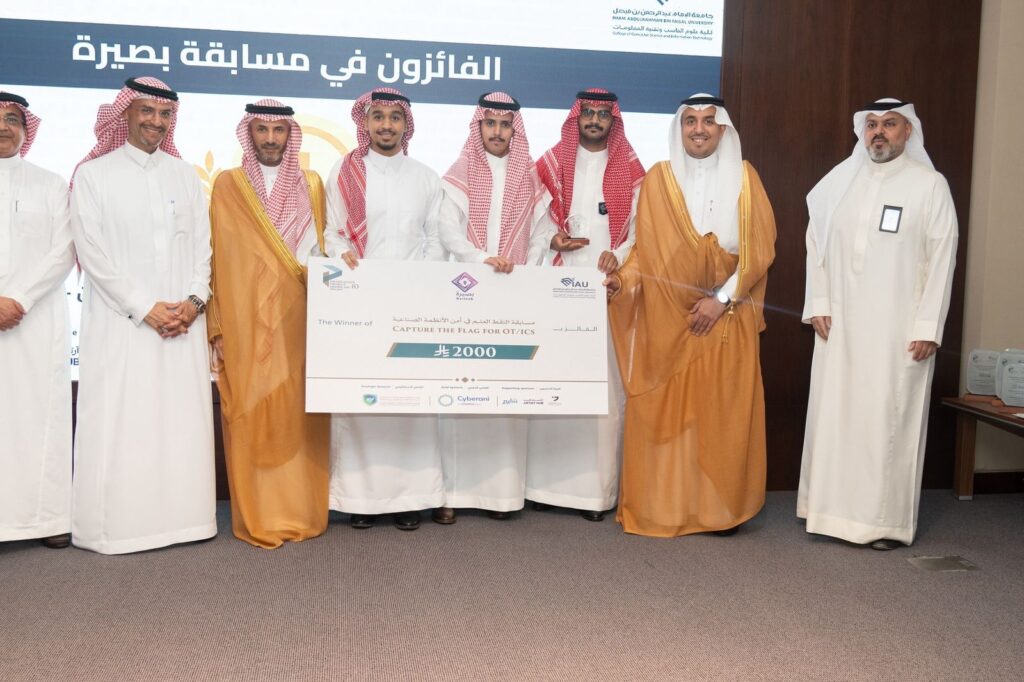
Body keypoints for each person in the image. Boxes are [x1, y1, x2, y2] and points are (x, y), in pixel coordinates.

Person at [605, 94, 776, 538]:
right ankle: (667, 507)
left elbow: (759, 251)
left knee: (721, 415)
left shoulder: (746, 178)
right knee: (668, 413)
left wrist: (721, 299)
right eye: (690, 122)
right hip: (669, 319)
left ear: (723, 129)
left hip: (728, 317)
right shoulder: (658, 180)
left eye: (708, 121)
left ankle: (719, 512)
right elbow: (644, 253)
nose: (698, 129)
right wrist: (621, 282)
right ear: (679, 129)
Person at [798, 98, 958, 550]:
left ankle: (883, 524)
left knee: (887, 422)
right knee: (835, 416)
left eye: (889, 124)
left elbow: (943, 257)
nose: (879, 132)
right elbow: (815, 243)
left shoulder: (929, 186)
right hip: (839, 327)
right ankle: (826, 513)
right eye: (871, 125)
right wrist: (818, 301)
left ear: (908, 131)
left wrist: (928, 326)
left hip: (897, 332)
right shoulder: (839, 182)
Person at [70, 77, 216, 554]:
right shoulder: (94, 175)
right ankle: (118, 528)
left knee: (180, 424)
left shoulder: (184, 175)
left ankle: (187, 520)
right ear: (126, 114)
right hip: (122, 325)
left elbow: (203, 248)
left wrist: (193, 302)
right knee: (123, 422)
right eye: (146, 111)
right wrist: (143, 307)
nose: (156, 121)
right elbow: (92, 253)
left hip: (182, 324)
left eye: (165, 113)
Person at [207, 99, 329, 549]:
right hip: (244, 318)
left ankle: (300, 508)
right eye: (262, 130)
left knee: (297, 412)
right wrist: (218, 321)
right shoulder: (228, 185)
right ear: (249, 133)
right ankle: (259, 512)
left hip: (298, 315)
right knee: (251, 409)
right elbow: (218, 256)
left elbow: (317, 252)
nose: (271, 139)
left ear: (291, 136)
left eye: (279, 131)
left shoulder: (312, 184)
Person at [324, 88, 446, 531]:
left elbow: (435, 240)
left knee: (410, 402)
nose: (386, 125)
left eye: (395, 117)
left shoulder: (426, 177)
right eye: (378, 117)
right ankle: (360, 500)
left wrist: (416, 284)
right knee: (363, 402)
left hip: (412, 305)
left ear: (406, 125)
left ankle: (411, 498)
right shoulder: (344, 173)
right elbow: (333, 232)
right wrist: (343, 259)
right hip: (361, 302)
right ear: (366, 122)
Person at [434, 92, 552, 524]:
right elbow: (447, 231)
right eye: (490, 123)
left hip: (512, 295)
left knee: (506, 393)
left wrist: (523, 270)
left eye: (505, 125)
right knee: (461, 390)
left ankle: (501, 495)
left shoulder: (530, 176)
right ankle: (451, 494)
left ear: (514, 130)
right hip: (467, 293)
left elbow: (541, 233)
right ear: (479, 126)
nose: (498, 132)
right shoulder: (460, 172)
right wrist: (482, 259)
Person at [528, 88, 645, 522]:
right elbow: (534, 221)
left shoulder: (632, 169)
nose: (594, 120)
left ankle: (595, 494)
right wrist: (552, 240)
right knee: (555, 381)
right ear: (576, 118)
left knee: (603, 390)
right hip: (559, 289)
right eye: (588, 113)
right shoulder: (550, 164)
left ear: (614, 121)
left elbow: (641, 230)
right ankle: (544, 487)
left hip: (605, 291)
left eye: (603, 114)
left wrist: (620, 256)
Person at [0, 91, 76, 549]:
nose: (3, 127)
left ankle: (47, 519)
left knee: (41, 417)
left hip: (35, 318)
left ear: (26, 130)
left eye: (13, 119)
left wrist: (18, 299)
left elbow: (64, 249)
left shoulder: (50, 184)